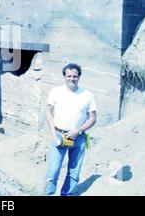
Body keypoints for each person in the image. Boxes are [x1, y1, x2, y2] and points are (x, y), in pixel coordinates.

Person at [44, 63, 97, 196]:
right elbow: (48, 113)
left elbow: (92, 118)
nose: (71, 79)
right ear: (64, 76)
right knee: (53, 172)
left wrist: (77, 131)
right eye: (69, 76)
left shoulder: (87, 95)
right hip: (59, 136)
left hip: (78, 139)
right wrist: (53, 134)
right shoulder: (56, 92)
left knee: (74, 173)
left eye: (75, 76)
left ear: (79, 77)